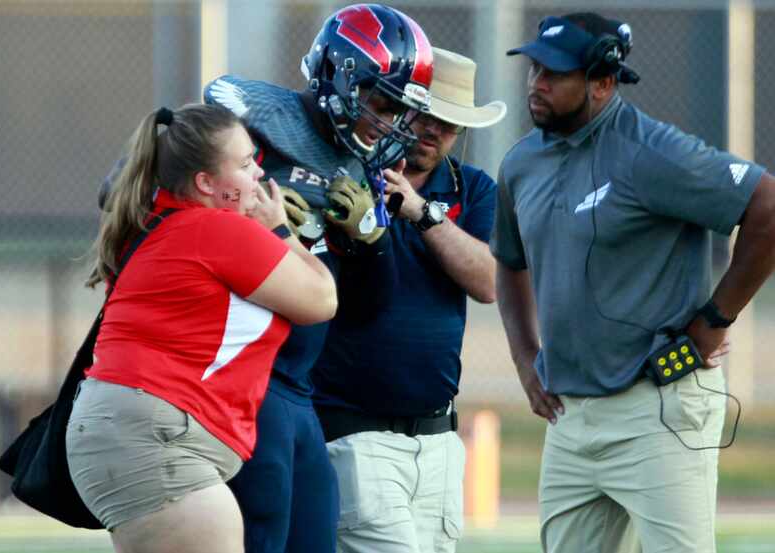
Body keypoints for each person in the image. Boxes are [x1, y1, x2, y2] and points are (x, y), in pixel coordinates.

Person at [494, 12, 775, 553]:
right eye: (534, 69)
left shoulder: (653, 151)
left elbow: (767, 205)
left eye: (555, 73)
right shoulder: (521, 162)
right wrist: (525, 357)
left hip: (658, 409)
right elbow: (509, 262)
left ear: (602, 83)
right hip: (570, 418)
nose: (537, 84)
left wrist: (715, 321)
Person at [202, 5, 434, 553]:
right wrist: (257, 224)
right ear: (340, 76)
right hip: (241, 385)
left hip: (298, 395)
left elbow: (365, 311)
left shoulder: (360, 167)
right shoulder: (246, 130)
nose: (388, 123)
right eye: (381, 103)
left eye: (398, 111)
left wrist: (371, 246)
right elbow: (181, 235)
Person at [67, 103, 337, 553]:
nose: (258, 175)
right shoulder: (218, 230)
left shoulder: (162, 221)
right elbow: (322, 299)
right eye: (246, 163)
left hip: (128, 425)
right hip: (153, 434)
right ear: (206, 183)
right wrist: (280, 230)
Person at [312, 47, 506, 553]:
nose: (432, 132)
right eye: (424, 114)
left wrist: (422, 213)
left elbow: (488, 282)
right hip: (355, 429)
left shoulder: (473, 187)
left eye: (449, 124)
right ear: (396, 105)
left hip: (439, 436)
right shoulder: (341, 171)